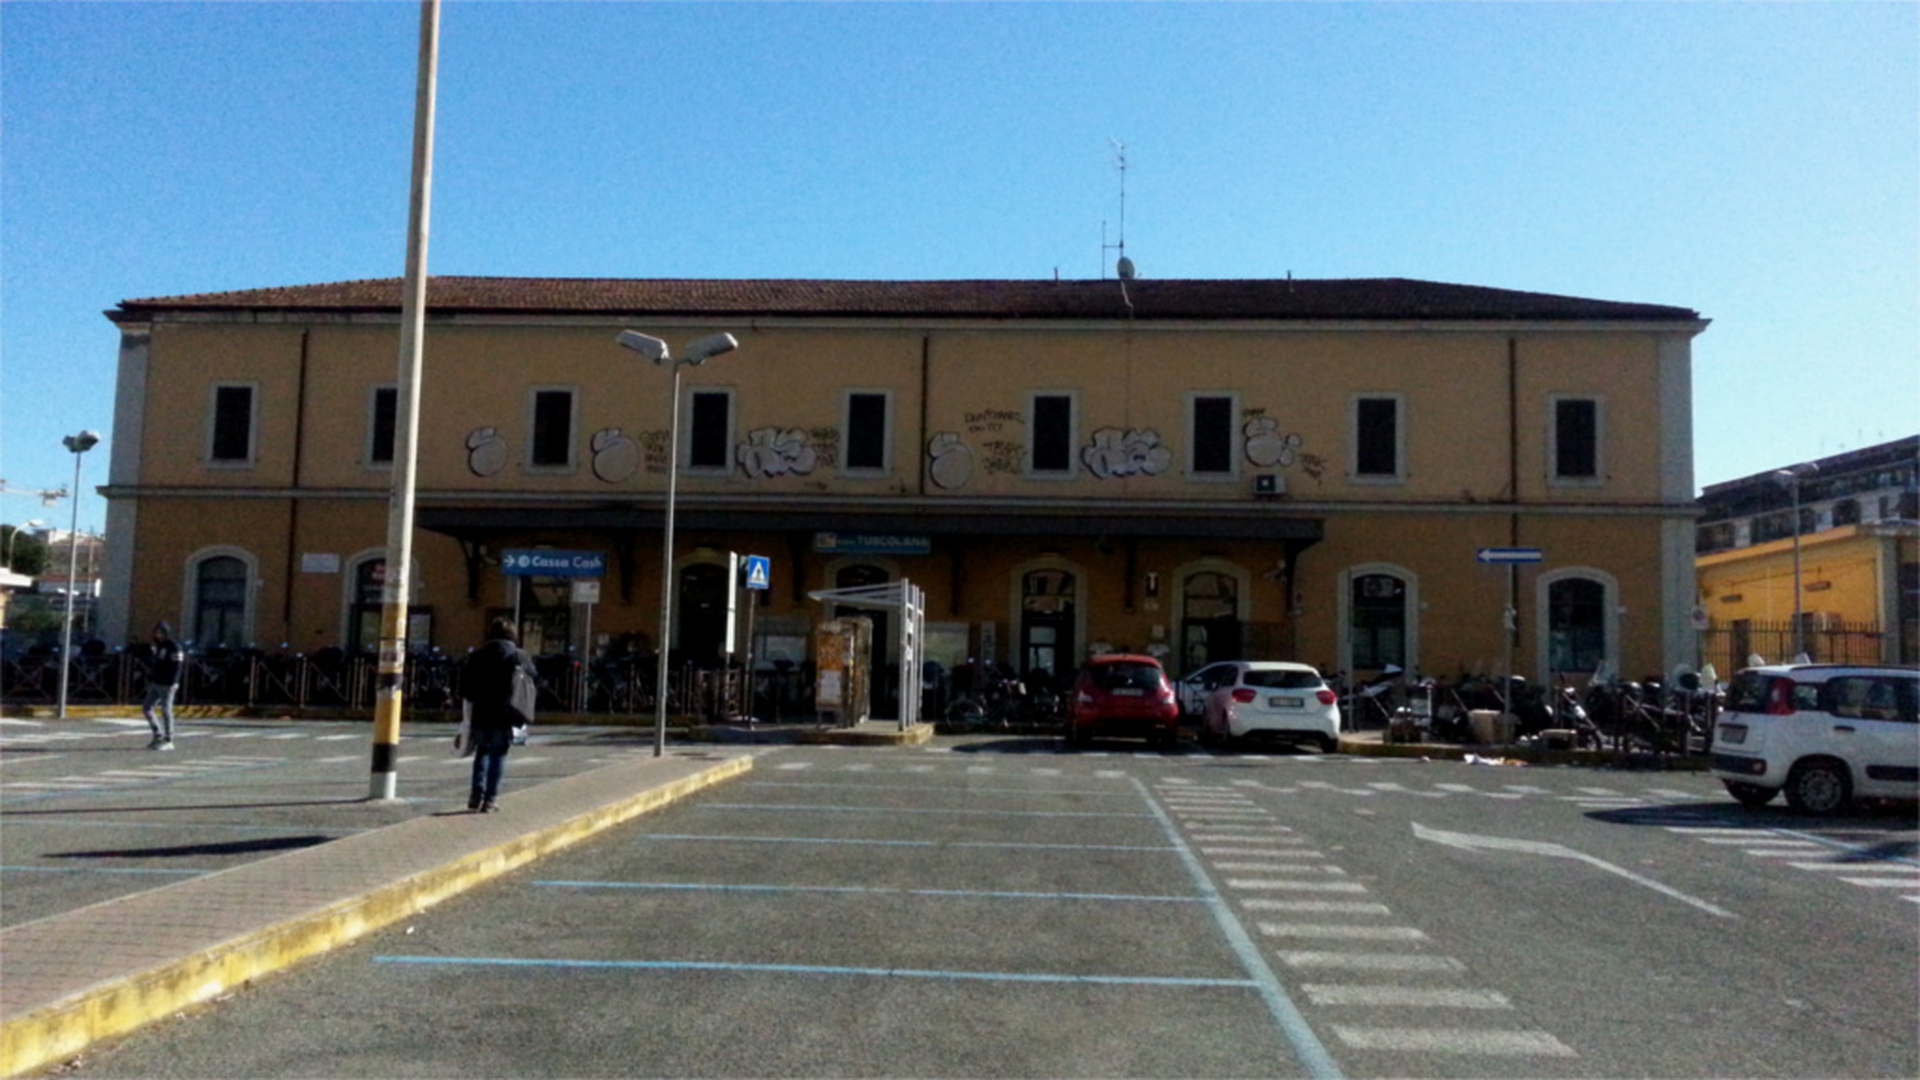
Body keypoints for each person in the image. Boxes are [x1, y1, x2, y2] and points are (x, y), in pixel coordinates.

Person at [460, 617, 536, 812]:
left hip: (481, 712)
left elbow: (465, 688)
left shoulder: (477, 656)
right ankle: (490, 799)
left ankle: (475, 795)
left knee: (481, 752)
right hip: (506, 713)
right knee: (499, 754)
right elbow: (534, 679)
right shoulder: (519, 656)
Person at [142, 622, 184, 750]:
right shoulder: (159, 646)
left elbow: (177, 665)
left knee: (166, 710)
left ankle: (168, 739)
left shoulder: (174, 646)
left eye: (161, 632)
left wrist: (173, 681)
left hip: (168, 684)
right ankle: (157, 735)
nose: (158, 635)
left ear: (166, 633)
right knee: (147, 707)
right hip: (157, 682)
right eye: (156, 632)